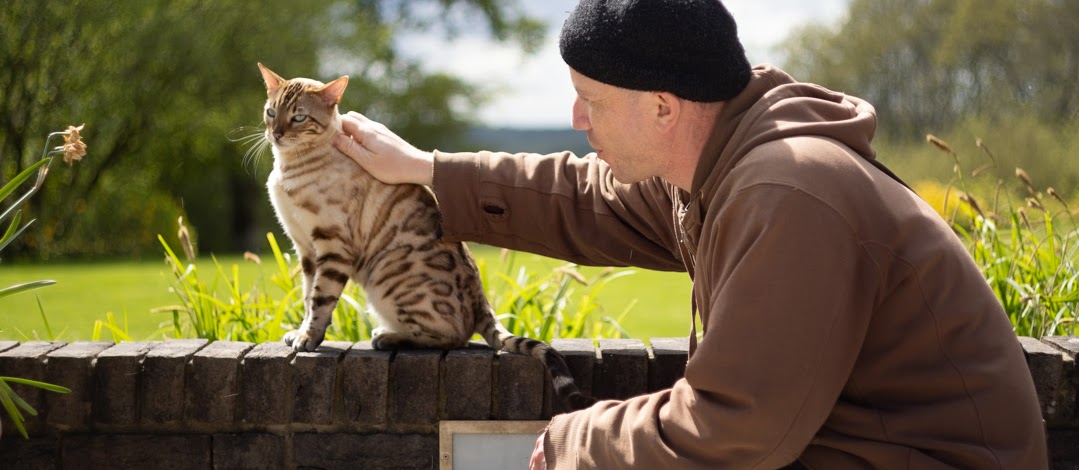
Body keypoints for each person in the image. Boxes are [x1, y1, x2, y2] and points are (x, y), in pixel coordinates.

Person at [334, 0, 1049, 468]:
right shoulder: (718, 168)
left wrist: (573, 440)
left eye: (591, 101)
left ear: (662, 108)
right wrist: (429, 171)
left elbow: (736, 428)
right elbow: (591, 199)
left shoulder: (786, 194)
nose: (577, 120)